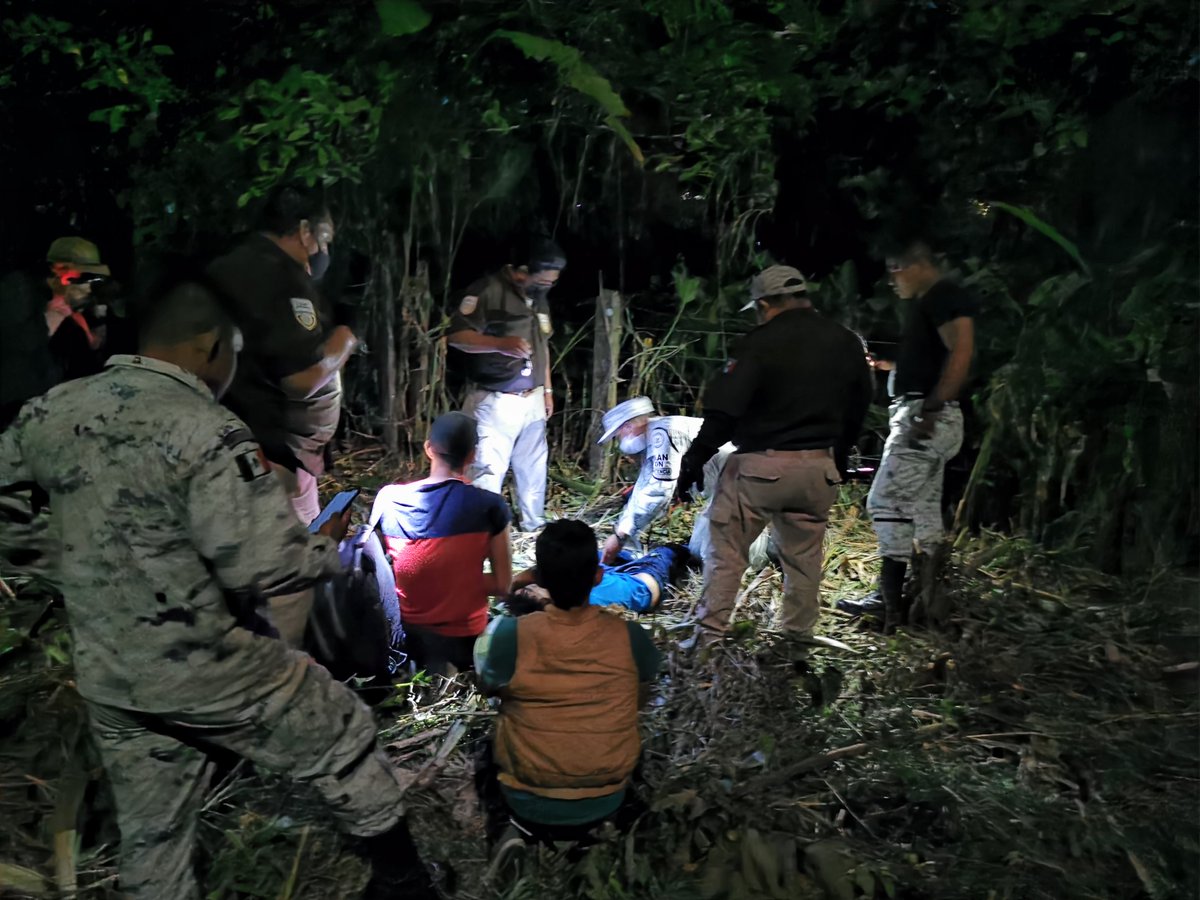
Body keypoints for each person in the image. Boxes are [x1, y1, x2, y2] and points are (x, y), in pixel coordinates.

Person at [0, 273, 434, 900]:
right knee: (343, 729)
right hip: (201, 661)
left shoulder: (53, 409)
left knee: (153, 832)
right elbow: (260, 564)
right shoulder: (204, 429)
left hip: (111, 669)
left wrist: (70, 559)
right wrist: (326, 547)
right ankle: (405, 885)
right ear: (209, 345)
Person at [675, 265, 874, 649]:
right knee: (803, 557)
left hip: (761, 468)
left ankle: (709, 637)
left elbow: (726, 412)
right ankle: (797, 637)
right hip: (819, 468)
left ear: (764, 304)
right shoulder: (847, 342)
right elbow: (859, 405)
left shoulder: (760, 342)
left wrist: (694, 459)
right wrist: (839, 458)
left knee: (727, 552)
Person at [208, 184, 356, 646]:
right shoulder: (279, 279)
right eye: (324, 237)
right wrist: (344, 340)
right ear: (304, 230)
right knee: (289, 562)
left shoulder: (226, 269)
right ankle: (289, 650)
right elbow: (301, 378)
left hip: (232, 442)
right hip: (272, 451)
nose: (324, 248)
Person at [474, 520, 660, 834]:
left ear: (539, 577)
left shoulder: (507, 636)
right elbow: (639, 700)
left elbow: (487, 687)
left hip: (527, 797)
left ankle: (505, 827)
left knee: (485, 744)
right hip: (607, 795)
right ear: (598, 578)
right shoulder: (630, 637)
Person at [838, 239, 976, 632]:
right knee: (923, 513)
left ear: (913, 263)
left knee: (885, 501)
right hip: (929, 412)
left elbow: (962, 351)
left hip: (928, 416)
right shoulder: (933, 301)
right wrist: (893, 366)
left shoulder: (942, 295)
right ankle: (928, 601)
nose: (891, 278)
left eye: (894, 268)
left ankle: (888, 603)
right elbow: (939, 356)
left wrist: (932, 407)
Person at [371, 411, 513, 676]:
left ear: (428, 448)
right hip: (466, 639)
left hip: (408, 634)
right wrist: (457, 580)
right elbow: (503, 586)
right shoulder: (490, 506)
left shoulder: (388, 500)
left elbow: (382, 569)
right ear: (472, 456)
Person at [446, 237, 566, 532]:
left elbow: (543, 345)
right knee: (488, 469)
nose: (548, 286)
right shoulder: (488, 292)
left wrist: (547, 389)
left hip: (533, 399)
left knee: (533, 468)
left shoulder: (538, 295)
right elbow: (457, 336)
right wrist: (501, 344)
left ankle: (534, 525)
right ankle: (481, 534)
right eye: (544, 280)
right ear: (521, 271)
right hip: (495, 400)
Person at [595, 395, 776, 566]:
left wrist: (621, 536)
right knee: (697, 550)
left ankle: (771, 554)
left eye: (618, 433)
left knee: (715, 555)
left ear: (628, 426)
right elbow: (645, 486)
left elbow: (659, 489)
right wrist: (624, 529)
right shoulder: (655, 436)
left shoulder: (663, 433)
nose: (619, 439)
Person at [0, 237, 110, 430]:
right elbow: (18, 345)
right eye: (83, 278)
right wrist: (55, 314)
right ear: (60, 271)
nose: (88, 287)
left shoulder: (70, 308)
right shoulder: (18, 289)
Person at [510, 541, 693, 615]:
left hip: (616, 575)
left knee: (595, 554)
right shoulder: (576, 602)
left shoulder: (560, 595)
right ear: (543, 600)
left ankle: (626, 559)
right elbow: (535, 573)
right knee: (671, 551)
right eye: (529, 589)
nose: (532, 584)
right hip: (645, 580)